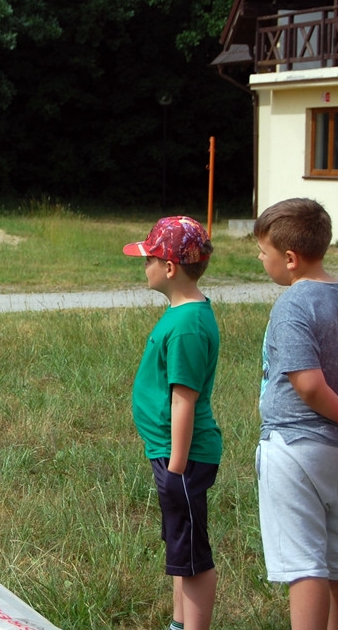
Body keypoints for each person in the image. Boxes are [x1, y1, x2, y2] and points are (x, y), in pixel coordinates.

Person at [253, 198, 338, 629]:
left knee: (304, 563)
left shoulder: (294, 304)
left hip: (294, 449)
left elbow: (307, 384)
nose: (261, 259)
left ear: (289, 259)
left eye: (263, 253)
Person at [124, 216, 222, 630]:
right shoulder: (183, 313)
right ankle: (179, 625)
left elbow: (185, 399)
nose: (142, 265)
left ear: (169, 268)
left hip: (180, 458)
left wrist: (177, 467)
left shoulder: (185, 327)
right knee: (180, 547)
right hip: (170, 455)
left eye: (148, 258)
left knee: (194, 557)